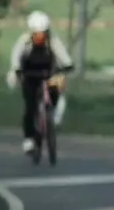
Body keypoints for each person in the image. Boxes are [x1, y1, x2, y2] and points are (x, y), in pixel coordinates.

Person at [9, 12, 69, 164]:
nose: (40, 37)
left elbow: (63, 55)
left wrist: (67, 65)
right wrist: (17, 69)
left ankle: (53, 117)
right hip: (29, 76)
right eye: (37, 34)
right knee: (30, 107)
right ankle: (29, 139)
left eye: (43, 33)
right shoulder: (24, 41)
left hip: (49, 76)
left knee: (58, 91)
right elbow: (16, 56)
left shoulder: (53, 41)